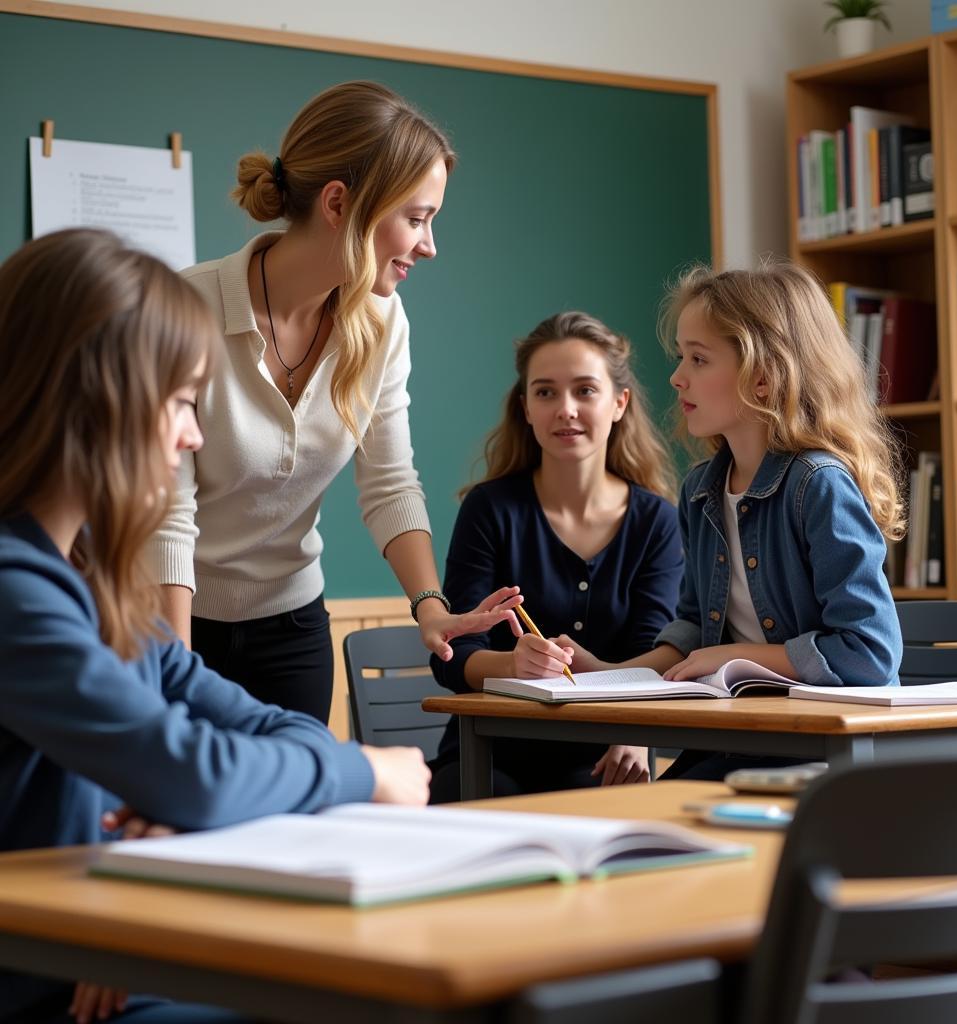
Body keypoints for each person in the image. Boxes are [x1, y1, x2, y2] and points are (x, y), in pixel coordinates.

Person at [0, 229, 432, 1024]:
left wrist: (200, 802)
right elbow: (195, 773)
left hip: (106, 954)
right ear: (98, 402)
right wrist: (365, 772)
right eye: (179, 404)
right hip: (49, 987)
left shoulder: (103, 591)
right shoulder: (15, 593)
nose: (194, 435)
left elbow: (257, 728)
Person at [150, 81, 521, 724]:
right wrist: (172, 671)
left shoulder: (383, 322)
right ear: (339, 203)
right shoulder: (185, 309)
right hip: (173, 619)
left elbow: (389, 482)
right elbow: (167, 513)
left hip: (292, 628)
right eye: (417, 217)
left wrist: (429, 606)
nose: (429, 245)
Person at [563, 262, 904, 780]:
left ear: (764, 377)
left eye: (699, 359)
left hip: (827, 753)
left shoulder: (818, 485)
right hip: (740, 739)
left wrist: (736, 656)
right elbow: (694, 631)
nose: (677, 376)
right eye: (682, 356)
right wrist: (609, 675)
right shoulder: (700, 489)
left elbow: (869, 652)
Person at [429, 312, 684, 802]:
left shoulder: (657, 521)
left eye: (585, 390)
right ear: (525, 407)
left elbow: (653, 657)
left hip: (606, 756)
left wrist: (634, 731)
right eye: (545, 392)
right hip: (485, 755)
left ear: (618, 403)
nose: (565, 409)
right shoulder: (489, 510)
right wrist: (511, 665)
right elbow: (452, 657)